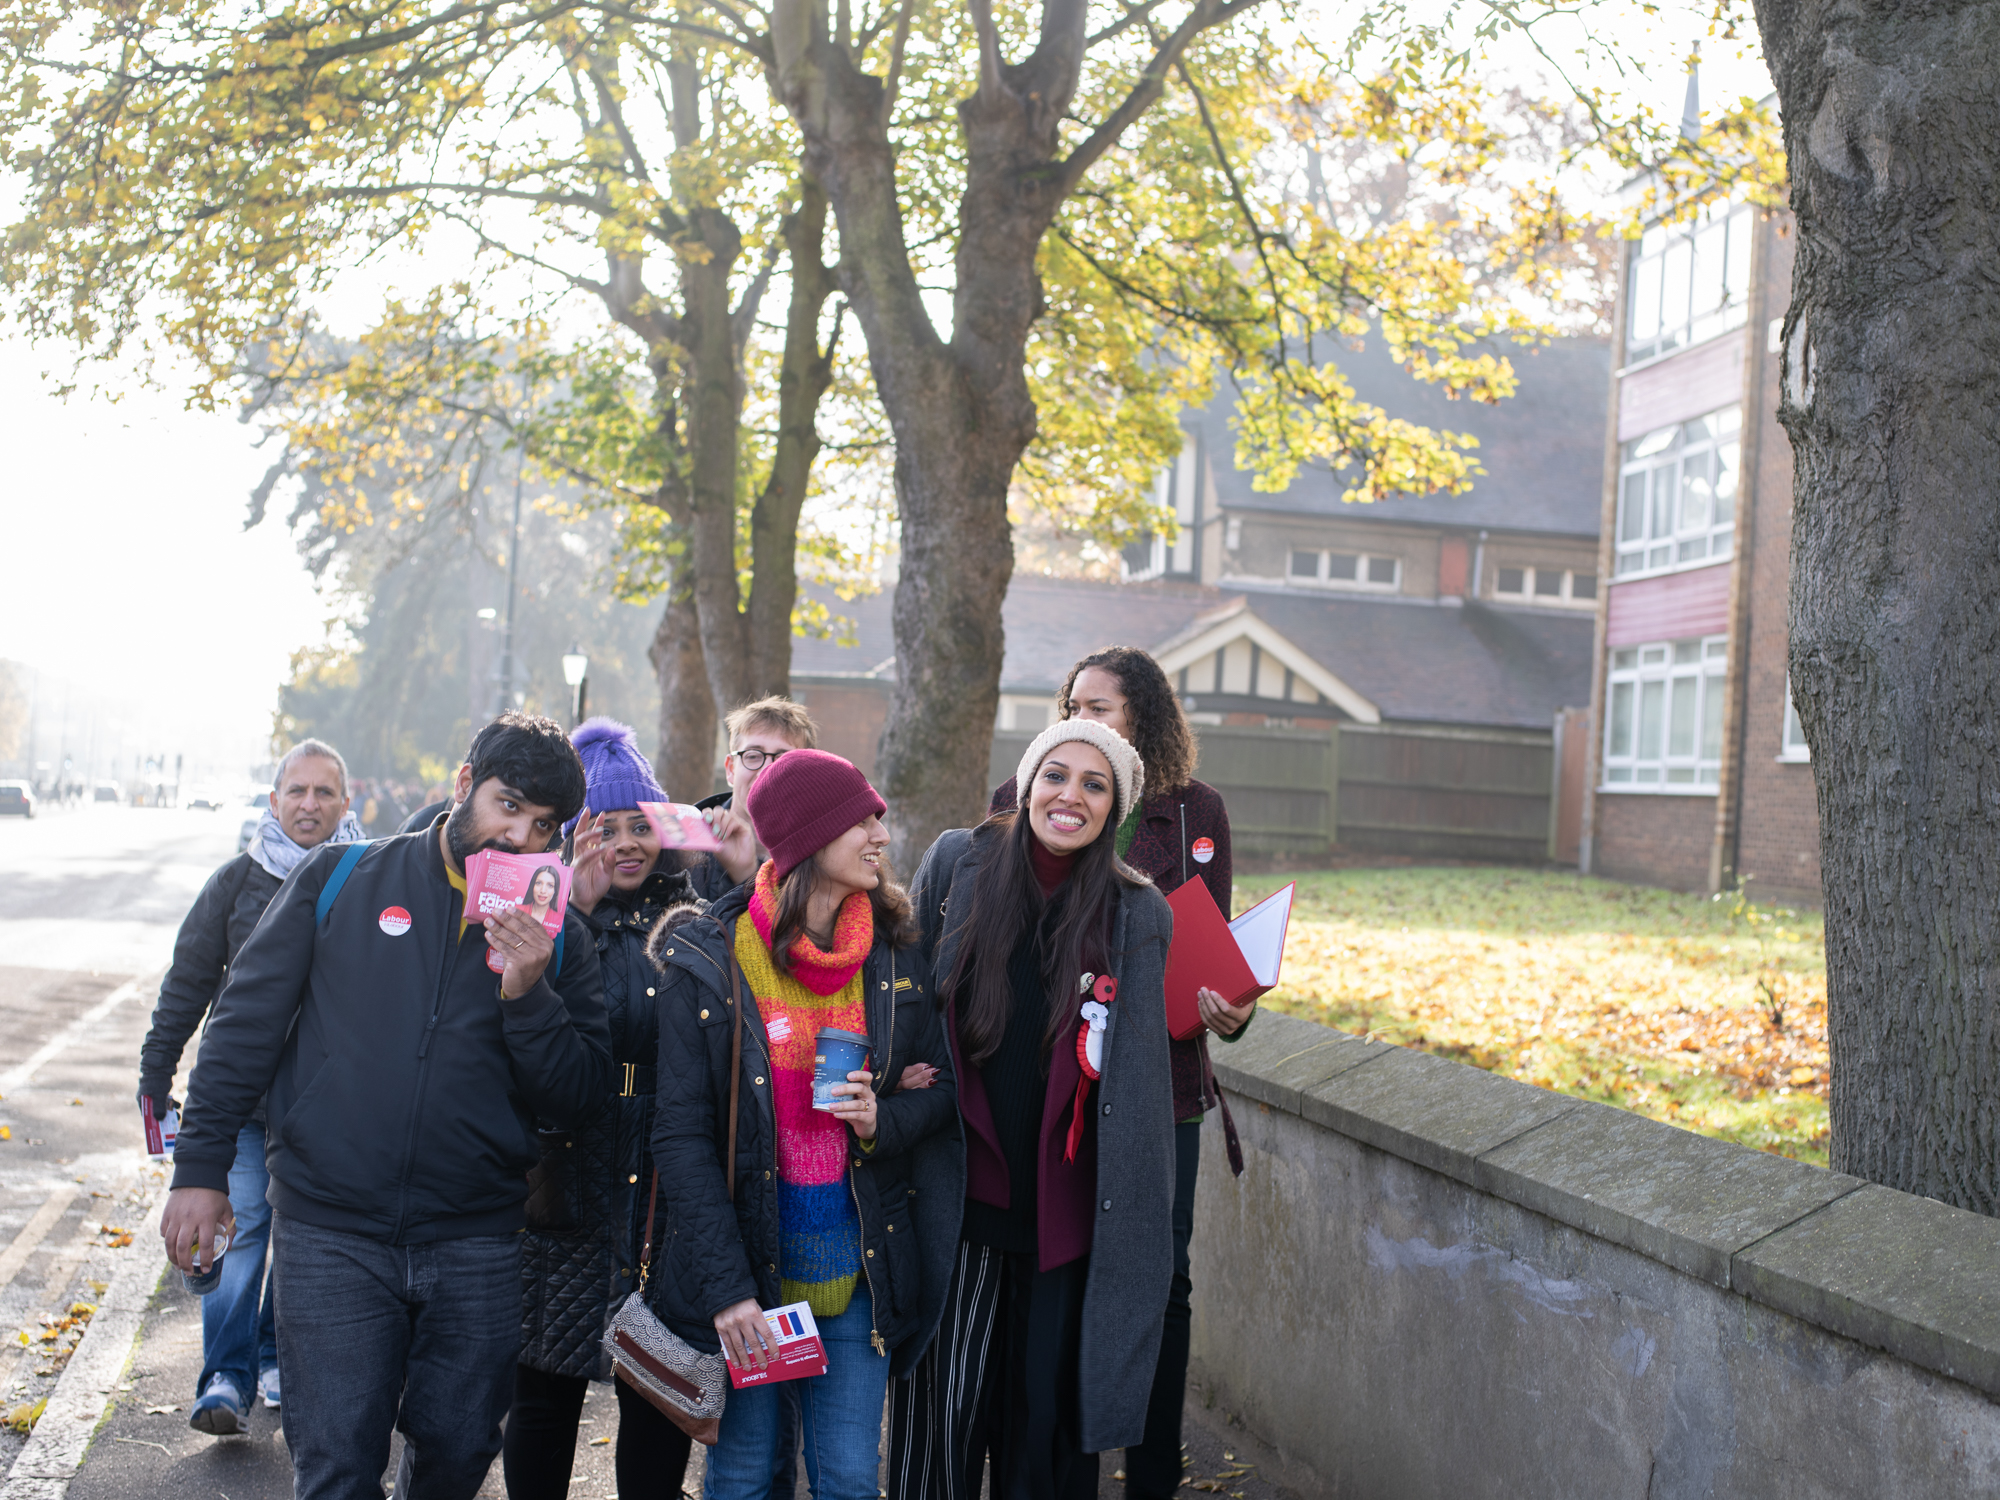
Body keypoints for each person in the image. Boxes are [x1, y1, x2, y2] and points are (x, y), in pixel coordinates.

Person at [161, 713, 610, 1500]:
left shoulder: (558, 936)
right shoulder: (341, 877)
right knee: (335, 1466)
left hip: (475, 1239)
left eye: (544, 827)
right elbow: (241, 1031)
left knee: (461, 1452)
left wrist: (527, 994)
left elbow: (576, 1098)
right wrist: (198, 1170)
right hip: (332, 1230)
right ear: (464, 786)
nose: (519, 837)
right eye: (508, 807)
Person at [648, 749, 958, 1500]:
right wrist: (729, 1293)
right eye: (862, 820)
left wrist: (884, 1117)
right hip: (754, 1282)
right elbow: (681, 1140)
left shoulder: (895, 956)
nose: (881, 834)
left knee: (850, 1479)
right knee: (746, 1475)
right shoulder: (711, 957)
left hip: (859, 1280)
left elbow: (943, 1090)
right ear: (810, 838)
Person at [988, 644, 1252, 1499]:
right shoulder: (1019, 799)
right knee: (1047, 1266)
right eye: (1070, 702)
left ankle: (1149, 1475)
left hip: (1161, 1086)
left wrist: (1234, 1009)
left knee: (1159, 1277)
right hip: (1048, 1089)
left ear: (1141, 712)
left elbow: (1209, 949)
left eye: (1098, 705)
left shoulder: (1196, 812)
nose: (1079, 716)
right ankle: (1047, 1454)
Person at [891, 718, 1176, 1499]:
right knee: (935, 1441)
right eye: (1057, 775)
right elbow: (906, 997)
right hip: (958, 1210)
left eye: (1095, 785)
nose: (1070, 797)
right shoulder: (959, 862)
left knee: (1039, 1452)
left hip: (1062, 1230)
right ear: (1027, 782)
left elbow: (1141, 1086)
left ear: (1114, 809)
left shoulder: (1136, 913)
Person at [136, 739, 364, 1436]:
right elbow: (188, 985)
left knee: (302, 1248)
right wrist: (156, 1075)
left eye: (325, 793)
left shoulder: (370, 878)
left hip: (328, 1111)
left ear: (348, 805)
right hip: (240, 1107)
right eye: (296, 791)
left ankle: (272, 1360)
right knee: (236, 1245)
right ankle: (225, 1379)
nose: (309, 804)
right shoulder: (236, 883)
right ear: (274, 801)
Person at [504, 719, 698, 1500]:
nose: (624, 844)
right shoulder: (539, 919)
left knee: (655, 1395)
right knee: (544, 1395)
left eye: (637, 826)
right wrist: (570, 920)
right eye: (602, 828)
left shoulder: (690, 916)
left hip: (658, 1187)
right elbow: (524, 1033)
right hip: (565, 1180)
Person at [685, 696, 821, 901]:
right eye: (753, 756)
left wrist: (747, 876)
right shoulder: (685, 853)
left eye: (783, 759)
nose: (766, 771)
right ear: (731, 769)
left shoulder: (825, 858)